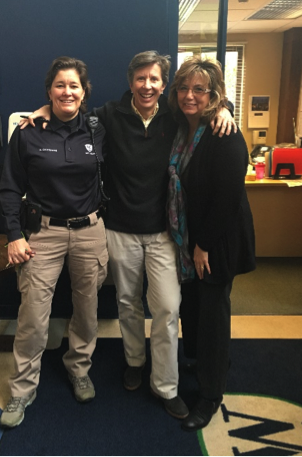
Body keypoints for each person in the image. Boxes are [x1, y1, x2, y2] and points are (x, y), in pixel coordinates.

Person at [21, 51, 236, 420]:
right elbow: (67, 112)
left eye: (154, 79)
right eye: (140, 78)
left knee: (168, 308)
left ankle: (166, 386)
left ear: (163, 84)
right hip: (119, 229)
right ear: (130, 81)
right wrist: (42, 110)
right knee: (127, 304)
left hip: (165, 233)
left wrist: (225, 108)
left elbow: (201, 103)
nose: (147, 85)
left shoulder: (175, 115)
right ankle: (135, 362)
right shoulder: (108, 116)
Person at [0, 56, 108, 428]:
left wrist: (222, 106)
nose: (67, 91)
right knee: (32, 314)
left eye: (74, 85)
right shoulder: (28, 132)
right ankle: (22, 389)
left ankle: (78, 368)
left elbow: (146, 105)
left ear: (84, 91)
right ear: (49, 90)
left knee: (88, 309)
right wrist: (14, 234)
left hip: (90, 230)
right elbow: (10, 187)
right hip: (42, 233)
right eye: (59, 85)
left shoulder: (98, 128)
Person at [167, 56, 255, 431]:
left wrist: (202, 245)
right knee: (195, 307)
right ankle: (204, 362)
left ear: (213, 95)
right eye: (184, 88)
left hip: (215, 240)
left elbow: (228, 196)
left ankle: (210, 395)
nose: (190, 96)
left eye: (199, 90)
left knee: (213, 314)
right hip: (189, 238)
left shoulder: (224, 133)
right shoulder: (180, 127)